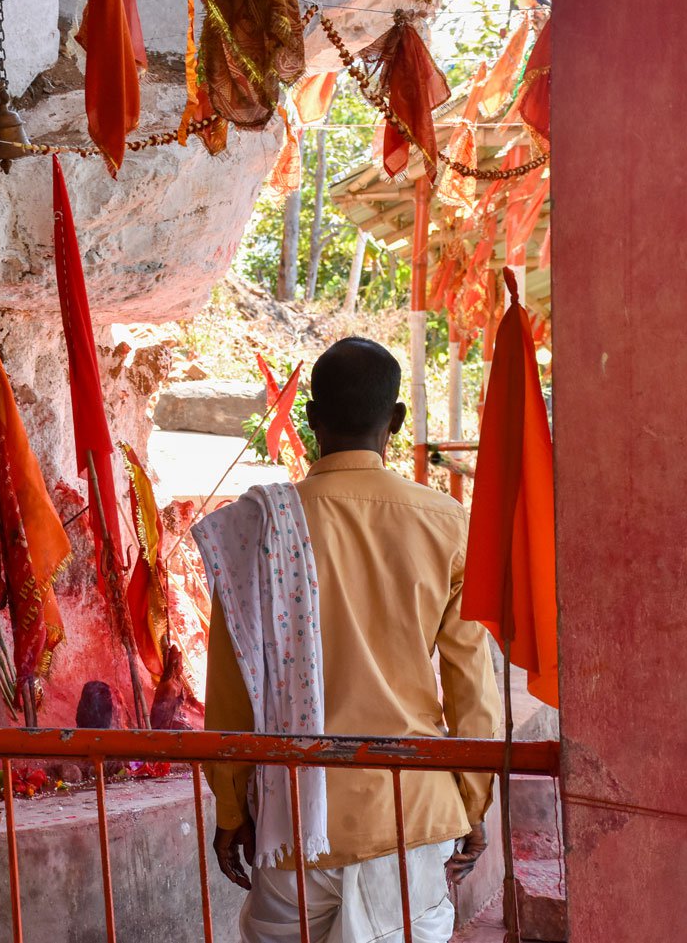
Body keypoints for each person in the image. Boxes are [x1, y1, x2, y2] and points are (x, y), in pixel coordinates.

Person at [204, 336, 502, 943]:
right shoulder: (447, 523)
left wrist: (232, 810)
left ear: (311, 418)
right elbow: (471, 687)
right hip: (411, 814)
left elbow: (231, 689)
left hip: (291, 819)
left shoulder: (258, 527)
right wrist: (471, 802)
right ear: (394, 420)